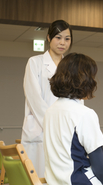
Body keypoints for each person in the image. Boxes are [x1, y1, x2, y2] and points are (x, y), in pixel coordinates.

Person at [44, 53, 103, 185]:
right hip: (79, 181)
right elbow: (100, 167)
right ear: (85, 80)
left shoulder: (50, 111)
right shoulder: (84, 114)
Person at [21, 20, 73, 177]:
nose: (62, 43)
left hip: (65, 130)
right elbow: (33, 97)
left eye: (67, 38)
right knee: (39, 176)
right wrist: (52, 122)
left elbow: (76, 98)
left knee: (62, 177)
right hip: (40, 127)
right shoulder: (35, 62)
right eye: (58, 37)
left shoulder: (70, 66)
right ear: (49, 38)